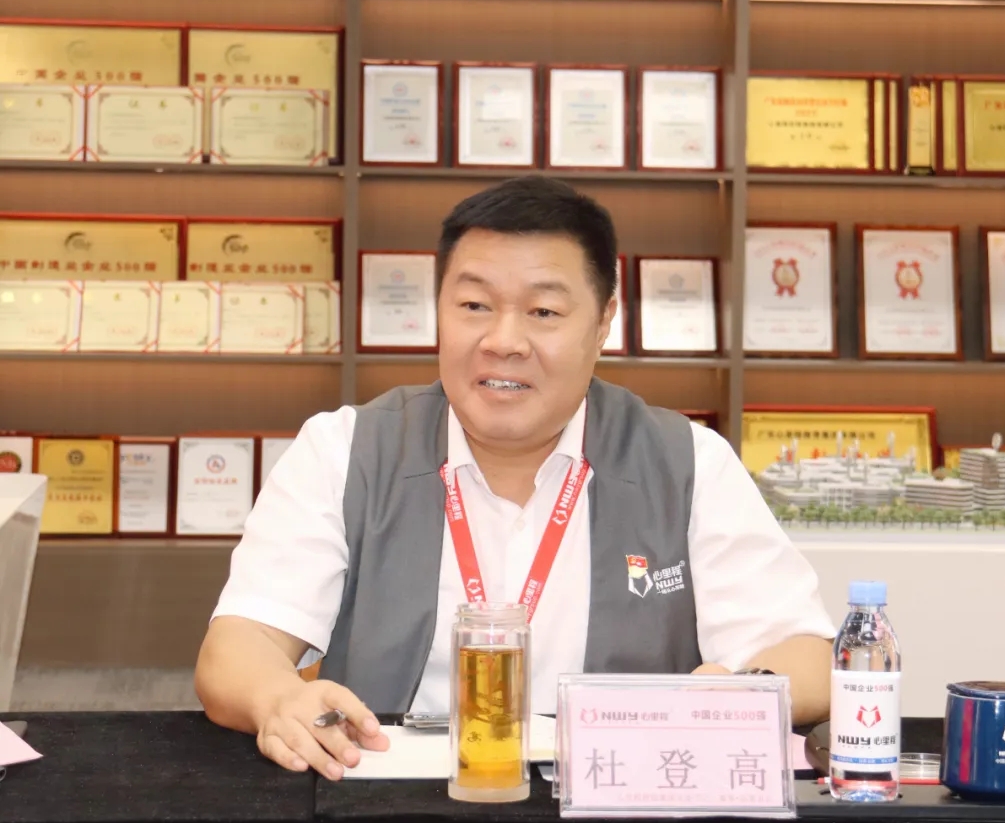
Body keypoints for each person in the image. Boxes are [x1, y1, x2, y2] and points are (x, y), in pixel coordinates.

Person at [195, 176, 836, 782]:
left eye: (544, 311)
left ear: (604, 321)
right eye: (474, 305)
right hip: (391, 800)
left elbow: (806, 655)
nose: (504, 341)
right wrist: (278, 698)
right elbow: (238, 646)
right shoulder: (343, 451)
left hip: (616, 800)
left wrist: (737, 692)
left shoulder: (688, 462)